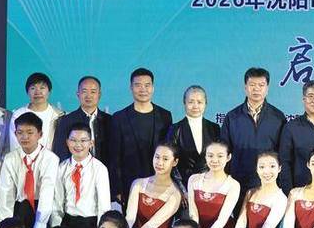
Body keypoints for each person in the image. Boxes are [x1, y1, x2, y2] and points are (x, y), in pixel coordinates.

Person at [0, 112, 60, 228]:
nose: (25, 137)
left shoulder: (50, 159)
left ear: (40, 134)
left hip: (42, 210)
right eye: (20, 133)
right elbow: (5, 197)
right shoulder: (10, 158)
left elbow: (47, 192)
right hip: (19, 210)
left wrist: (40, 227)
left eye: (30, 132)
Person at [109, 68, 173, 205]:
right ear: (131, 88)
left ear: (153, 88)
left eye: (147, 85)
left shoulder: (165, 116)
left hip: (160, 185)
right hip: (129, 187)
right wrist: (117, 189)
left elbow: (169, 152)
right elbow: (114, 157)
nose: (143, 89)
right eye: (137, 85)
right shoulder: (119, 118)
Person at [220, 67, 287, 194]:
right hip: (237, 183)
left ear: (267, 88)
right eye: (252, 85)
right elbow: (224, 151)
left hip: (268, 183)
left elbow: (283, 152)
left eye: (261, 85)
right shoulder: (232, 117)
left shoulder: (278, 117)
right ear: (245, 87)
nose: (256, 89)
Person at [52, 123, 111, 228]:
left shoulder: (99, 169)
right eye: (73, 140)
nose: (78, 145)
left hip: (90, 226)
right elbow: (57, 202)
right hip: (68, 223)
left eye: (83, 141)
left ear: (91, 143)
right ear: (67, 142)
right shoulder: (62, 168)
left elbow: (104, 205)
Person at [125, 143, 183, 228]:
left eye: (165, 159)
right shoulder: (138, 184)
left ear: (175, 162)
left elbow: (151, 225)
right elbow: (130, 218)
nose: (159, 162)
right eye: (157, 157)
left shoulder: (175, 194)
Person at [187, 140, 241, 228]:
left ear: (228, 157)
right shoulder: (194, 179)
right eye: (210, 155)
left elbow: (222, 219)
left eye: (220, 156)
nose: (214, 160)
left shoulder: (233, 185)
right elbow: (193, 212)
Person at [166, 85, 221, 187]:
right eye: (191, 102)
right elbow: (169, 161)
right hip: (182, 186)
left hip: (211, 185)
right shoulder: (175, 129)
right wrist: (181, 188)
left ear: (205, 103)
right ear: (184, 103)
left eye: (199, 102)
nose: (195, 106)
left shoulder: (215, 128)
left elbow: (220, 159)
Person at [53, 76, 112, 164]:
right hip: (74, 170)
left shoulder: (110, 121)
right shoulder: (65, 121)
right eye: (84, 91)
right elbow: (60, 152)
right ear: (78, 94)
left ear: (99, 95)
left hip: (104, 170)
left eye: (93, 92)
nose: (88, 96)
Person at [8, 72, 63, 153]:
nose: (38, 92)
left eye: (42, 88)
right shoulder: (18, 114)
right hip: (23, 159)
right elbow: (15, 145)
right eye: (33, 88)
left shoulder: (58, 115)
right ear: (27, 92)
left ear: (49, 91)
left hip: (51, 159)